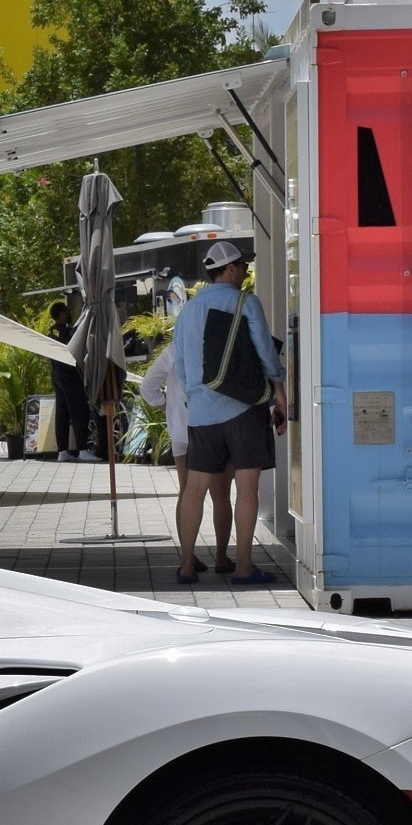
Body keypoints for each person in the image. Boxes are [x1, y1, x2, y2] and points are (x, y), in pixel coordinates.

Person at [170, 241, 285, 585]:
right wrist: (277, 390)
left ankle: (187, 565)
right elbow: (265, 351)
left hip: (201, 413)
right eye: (244, 266)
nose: (247, 271)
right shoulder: (245, 301)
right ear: (231, 268)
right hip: (243, 409)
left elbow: (180, 361)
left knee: (194, 488)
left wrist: (196, 396)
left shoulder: (188, 310)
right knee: (247, 487)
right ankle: (244, 567)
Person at [139, 333, 233, 571]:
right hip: (213, 427)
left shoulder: (174, 348)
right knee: (220, 494)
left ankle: (187, 559)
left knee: (187, 492)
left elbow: (147, 386)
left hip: (181, 431)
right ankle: (221, 558)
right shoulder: (220, 344)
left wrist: (165, 405)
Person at [44, 300, 94, 463]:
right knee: (79, 410)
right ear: (60, 314)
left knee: (62, 412)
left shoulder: (51, 331)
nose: (69, 313)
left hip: (57, 374)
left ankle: (63, 450)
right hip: (69, 375)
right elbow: (72, 348)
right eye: (66, 311)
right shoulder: (63, 332)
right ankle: (82, 449)